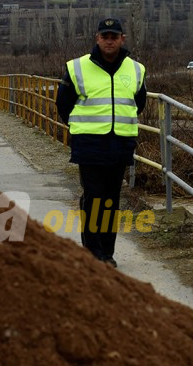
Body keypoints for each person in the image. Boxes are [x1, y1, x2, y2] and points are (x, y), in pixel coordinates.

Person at [56, 18, 147, 268]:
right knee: (95, 197)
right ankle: (94, 253)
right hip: (89, 146)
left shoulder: (136, 70)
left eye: (113, 36)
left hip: (120, 145)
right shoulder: (77, 68)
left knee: (111, 200)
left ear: (122, 39)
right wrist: (79, 128)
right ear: (97, 38)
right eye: (105, 36)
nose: (109, 40)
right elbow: (63, 104)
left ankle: (107, 253)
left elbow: (139, 104)